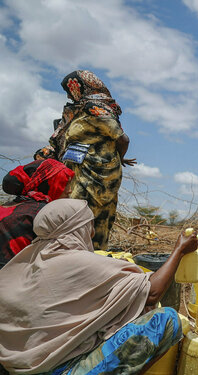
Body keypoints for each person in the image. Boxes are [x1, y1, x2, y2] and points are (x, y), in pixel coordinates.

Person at [0, 199, 198, 375]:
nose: (92, 232)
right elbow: (152, 292)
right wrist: (179, 249)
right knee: (165, 320)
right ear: (75, 228)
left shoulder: (27, 261)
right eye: (89, 225)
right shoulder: (75, 261)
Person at [48, 70, 137, 250]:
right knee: (85, 217)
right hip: (83, 172)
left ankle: (86, 261)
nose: (68, 95)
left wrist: (121, 157)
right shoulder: (83, 109)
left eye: (69, 90)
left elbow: (122, 138)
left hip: (95, 175)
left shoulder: (93, 107)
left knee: (85, 216)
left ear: (79, 87)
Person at [0, 159, 75, 268]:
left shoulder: (8, 206)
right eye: (63, 183)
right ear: (46, 184)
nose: (69, 190)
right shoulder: (45, 213)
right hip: (16, 279)